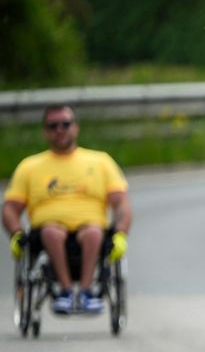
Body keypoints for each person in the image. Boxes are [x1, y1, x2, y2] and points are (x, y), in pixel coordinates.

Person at [4, 105, 132, 315]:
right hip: (47, 231)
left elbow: (121, 203)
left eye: (65, 124)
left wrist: (121, 233)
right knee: (52, 232)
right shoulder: (30, 166)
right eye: (53, 126)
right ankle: (65, 291)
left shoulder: (100, 162)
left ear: (76, 128)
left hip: (91, 228)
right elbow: (11, 207)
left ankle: (85, 292)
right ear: (45, 131)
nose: (60, 130)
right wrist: (16, 233)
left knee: (92, 232)